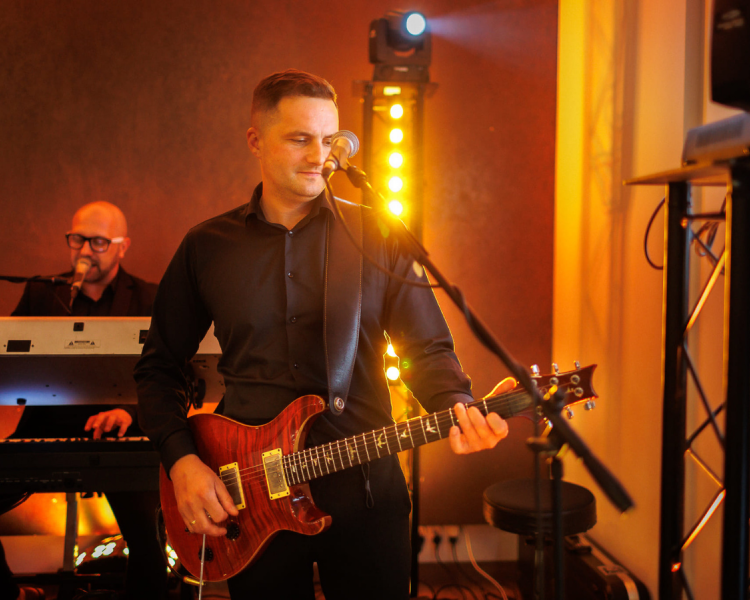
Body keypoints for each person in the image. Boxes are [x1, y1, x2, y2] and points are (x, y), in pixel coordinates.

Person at [135, 69, 511, 600]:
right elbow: (159, 367)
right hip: (251, 497)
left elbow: (426, 347)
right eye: (299, 139)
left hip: (367, 492)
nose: (321, 156)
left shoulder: (378, 233)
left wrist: (455, 403)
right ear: (255, 141)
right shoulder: (207, 246)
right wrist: (182, 462)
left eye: (330, 139)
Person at [1, 201, 167, 600]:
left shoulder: (149, 298)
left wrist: (127, 410)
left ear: (123, 246)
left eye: (98, 242)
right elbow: (10, 357)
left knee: (149, 533)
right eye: (77, 239)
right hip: (45, 429)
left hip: (121, 434)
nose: (86, 250)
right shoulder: (42, 292)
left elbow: (167, 375)